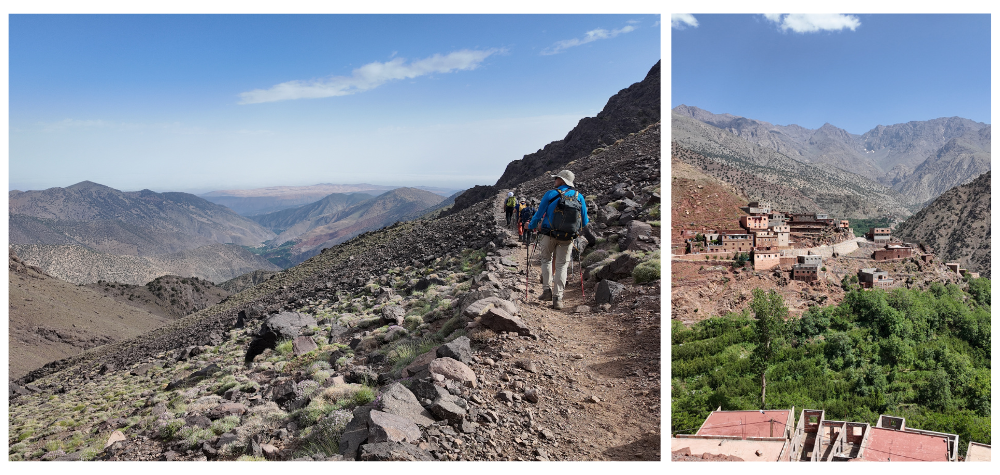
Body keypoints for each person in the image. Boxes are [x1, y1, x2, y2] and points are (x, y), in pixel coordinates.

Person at [528, 170, 589, 310]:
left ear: (562, 180)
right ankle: (558, 299)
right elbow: (584, 221)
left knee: (546, 260)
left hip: (548, 234)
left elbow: (538, 214)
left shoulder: (550, 194)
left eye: (556, 178)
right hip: (567, 237)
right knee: (562, 265)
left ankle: (546, 291)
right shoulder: (579, 197)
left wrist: (531, 226)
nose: (554, 180)